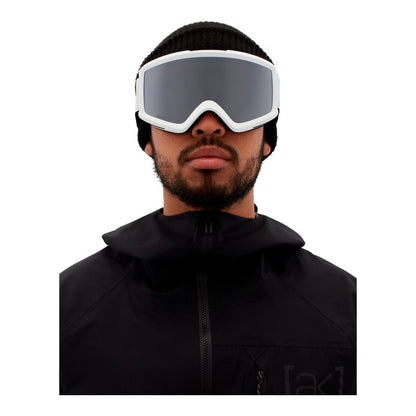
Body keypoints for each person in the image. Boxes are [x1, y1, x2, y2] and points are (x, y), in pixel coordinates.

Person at [60, 21, 356, 395]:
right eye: (175, 102)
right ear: (147, 139)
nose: (209, 124)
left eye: (241, 102)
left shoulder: (350, 310)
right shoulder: (63, 311)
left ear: (267, 139)